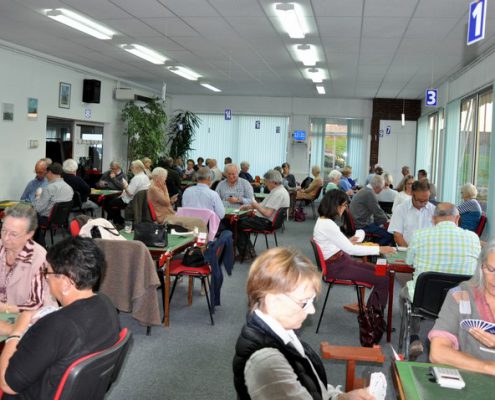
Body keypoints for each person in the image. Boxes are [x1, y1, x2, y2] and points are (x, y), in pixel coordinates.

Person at [232, 247, 374, 400]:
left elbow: (307, 382)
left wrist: (340, 397)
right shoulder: (267, 364)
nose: (312, 310)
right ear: (272, 301)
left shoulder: (281, 331)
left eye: (312, 301)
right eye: (304, 303)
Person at [0, 236, 120, 399]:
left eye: (47, 272)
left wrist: (15, 332)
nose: (46, 278)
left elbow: (8, 385)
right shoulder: (106, 305)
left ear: (65, 282)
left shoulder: (56, 325)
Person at [402, 203, 481, 358]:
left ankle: (414, 337)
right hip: (462, 301)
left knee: (405, 293)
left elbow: (408, 262)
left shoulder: (419, 235)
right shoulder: (473, 237)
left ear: (433, 219)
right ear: (457, 218)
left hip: (426, 301)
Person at [314, 190, 394, 310]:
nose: (345, 209)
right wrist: (380, 248)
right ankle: (374, 317)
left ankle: (372, 311)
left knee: (384, 273)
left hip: (340, 261)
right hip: (337, 267)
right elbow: (351, 250)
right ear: (336, 205)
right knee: (383, 278)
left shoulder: (323, 221)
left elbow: (332, 244)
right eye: (345, 205)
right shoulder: (327, 224)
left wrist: (347, 241)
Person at [429, 240, 495, 376]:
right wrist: (488, 367)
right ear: (481, 266)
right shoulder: (462, 295)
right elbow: (438, 352)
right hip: (470, 378)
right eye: (491, 269)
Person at [0, 204, 55, 322]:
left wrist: (6, 308)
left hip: (24, 320)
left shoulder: (40, 259)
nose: (5, 238)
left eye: (13, 234)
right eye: (4, 230)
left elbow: (38, 304)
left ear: (29, 234)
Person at [236, 170, 289, 259]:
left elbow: (267, 213)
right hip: (267, 221)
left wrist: (255, 205)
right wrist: (249, 207)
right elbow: (264, 205)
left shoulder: (278, 194)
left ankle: (246, 253)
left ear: (273, 182)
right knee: (242, 220)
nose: (265, 184)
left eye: (266, 182)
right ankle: (249, 250)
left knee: (237, 223)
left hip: (266, 222)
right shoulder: (279, 190)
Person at [147, 167, 206, 232]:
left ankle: (198, 240)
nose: (165, 180)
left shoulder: (156, 187)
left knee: (198, 220)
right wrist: (165, 189)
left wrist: (171, 201)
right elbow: (166, 202)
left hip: (169, 214)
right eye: (164, 178)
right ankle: (201, 241)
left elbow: (164, 203)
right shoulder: (154, 189)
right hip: (164, 218)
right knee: (198, 221)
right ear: (158, 178)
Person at [32, 162, 73, 245]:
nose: (46, 176)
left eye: (46, 173)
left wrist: (37, 196)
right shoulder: (69, 188)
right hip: (61, 220)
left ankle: (41, 245)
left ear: (50, 172)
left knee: (30, 216)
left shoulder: (49, 188)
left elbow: (38, 209)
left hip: (47, 220)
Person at [388, 179, 435, 247]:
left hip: (428, 253)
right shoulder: (401, 209)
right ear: (412, 194)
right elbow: (397, 235)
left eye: (426, 200)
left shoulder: (434, 210)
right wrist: (409, 252)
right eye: (420, 200)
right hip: (406, 250)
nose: (423, 203)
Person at [349, 174, 392, 245]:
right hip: (363, 225)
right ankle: (374, 251)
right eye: (382, 188)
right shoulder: (369, 193)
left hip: (359, 221)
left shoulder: (365, 190)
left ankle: (373, 249)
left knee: (382, 227)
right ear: (377, 187)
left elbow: (377, 212)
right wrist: (387, 221)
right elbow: (378, 212)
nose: (382, 190)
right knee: (389, 235)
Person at [106, 160, 150, 226]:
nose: (131, 169)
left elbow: (130, 193)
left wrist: (125, 186)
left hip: (129, 201)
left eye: (132, 168)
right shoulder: (145, 177)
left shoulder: (137, 178)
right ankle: (118, 220)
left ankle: (114, 222)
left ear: (137, 168)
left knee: (109, 203)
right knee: (114, 203)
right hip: (138, 201)